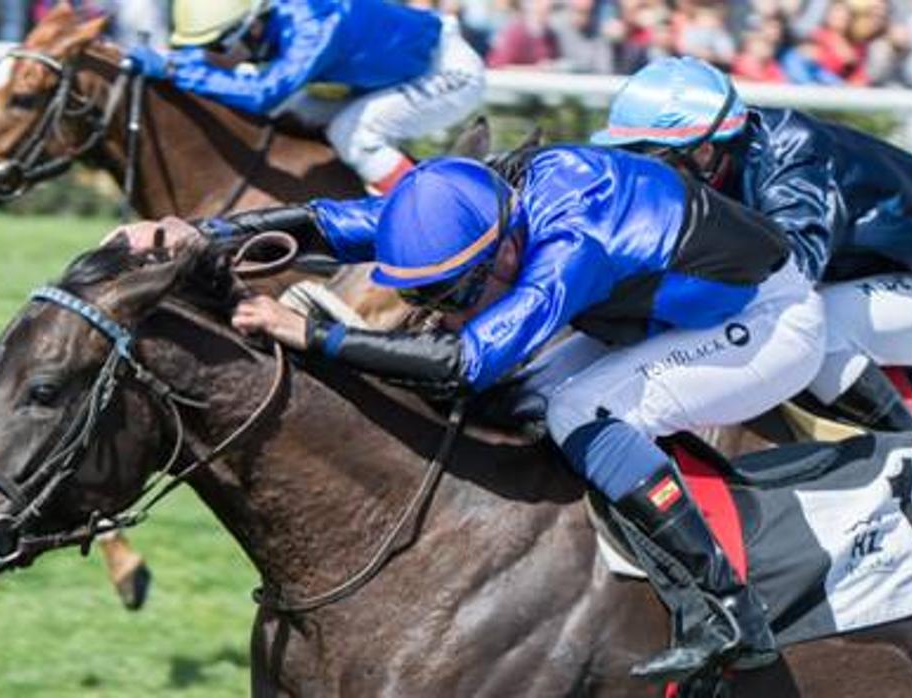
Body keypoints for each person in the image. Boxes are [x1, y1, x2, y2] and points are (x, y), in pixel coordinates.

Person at [138, 148, 825, 681]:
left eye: (456, 290)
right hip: (654, 311)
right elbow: (333, 223)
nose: (444, 308)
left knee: (576, 407)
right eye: (429, 293)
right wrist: (201, 233)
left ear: (502, 250)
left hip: (766, 320)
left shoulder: (568, 245)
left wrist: (318, 336)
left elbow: (468, 357)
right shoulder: (468, 204)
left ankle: (728, 610)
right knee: (509, 404)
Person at [593, 57, 912, 452]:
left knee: (809, 327)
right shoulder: (711, 167)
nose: (640, 178)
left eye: (648, 160)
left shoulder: (793, 153)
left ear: (703, 151)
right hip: (878, 275)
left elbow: (792, 274)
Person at [125, 0, 485, 194]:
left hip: (448, 71)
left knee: (353, 133)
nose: (205, 59)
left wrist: (175, 71)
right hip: (391, 76)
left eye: (210, 49)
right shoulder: (260, 21)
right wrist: (170, 61)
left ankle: (425, 212)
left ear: (249, 29)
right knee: (294, 112)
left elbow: (265, 94)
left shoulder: (315, 25)